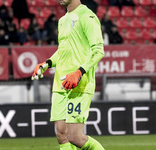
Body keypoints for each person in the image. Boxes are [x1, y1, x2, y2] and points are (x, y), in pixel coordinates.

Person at [32, 0, 105, 150]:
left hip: (79, 83)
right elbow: (64, 50)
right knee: (61, 135)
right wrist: (47, 63)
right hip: (60, 83)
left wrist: (79, 72)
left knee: (75, 137)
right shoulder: (62, 20)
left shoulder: (87, 16)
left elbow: (98, 50)